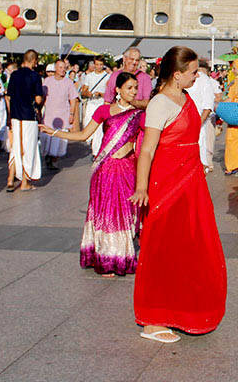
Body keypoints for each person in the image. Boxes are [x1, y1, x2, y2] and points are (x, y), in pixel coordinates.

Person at [129, 46, 226, 343]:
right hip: (166, 183)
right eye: (194, 72)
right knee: (161, 247)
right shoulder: (160, 103)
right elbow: (147, 149)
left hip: (190, 181)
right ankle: (153, 318)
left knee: (190, 247)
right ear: (177, 74)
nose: (198, 77)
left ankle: (181, 310)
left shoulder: (185, 98)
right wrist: (142, 187)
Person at [44, 72, 145, 275]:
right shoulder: (104, 110)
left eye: (135, 88)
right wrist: (54, 132)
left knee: (123, 213)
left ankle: (121, 256)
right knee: (107, 213)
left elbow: (150, 142)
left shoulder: (140, 114)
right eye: (129, 88)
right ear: (117, 90)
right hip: (106, 168)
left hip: (127, 168)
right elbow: (83, 135)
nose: (133, 92)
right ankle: (105, 258)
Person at [7, 50, 46, 191]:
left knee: (16, 146)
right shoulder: (35, 76)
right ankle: (25, 181)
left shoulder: (14, 75)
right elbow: (38, 98)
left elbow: (9, 96)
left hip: (15, 115)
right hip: (28, 115)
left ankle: (10, 179)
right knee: (28, 148)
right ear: (34, 61)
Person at [40, 60, 79, 171]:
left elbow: (73, 99)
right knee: (47, 137)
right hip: (49, 114)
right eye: (60, 67)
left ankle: (54, 160)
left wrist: (72, 114)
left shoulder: (68, 82)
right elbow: (42, 97)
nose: (62, 70)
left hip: (62, 114)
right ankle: (48, 156)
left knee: (59, 138)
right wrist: (38, 110)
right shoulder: (47, 81)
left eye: (64, 67)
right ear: (55, 68)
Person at [188, 59, 221, 172]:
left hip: (199, 126)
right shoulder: (178, 77)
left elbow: (208, 106)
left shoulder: (203, 79)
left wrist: (196, 126)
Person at [79, 56, 111, 150]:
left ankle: (96, 151)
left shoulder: (107, 77)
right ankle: (92, 143)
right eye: (97, 64)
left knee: (99, 128)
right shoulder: (89, 76)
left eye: (101, 64)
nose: (99, 67)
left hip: (101, 103)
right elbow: (83, 91)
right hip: (91, 103)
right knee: (88, 124)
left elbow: (109, 93)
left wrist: (100, 94)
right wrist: (87, 93)